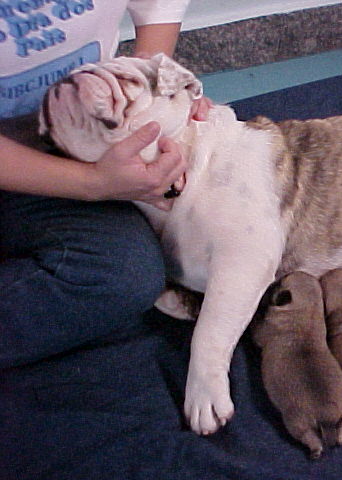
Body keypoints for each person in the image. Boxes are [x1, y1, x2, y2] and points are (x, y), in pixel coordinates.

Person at [0, 1, 207, 368]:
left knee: (124, 276)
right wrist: (91, 184)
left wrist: (149, 91)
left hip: (70, 137)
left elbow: (159, 6)